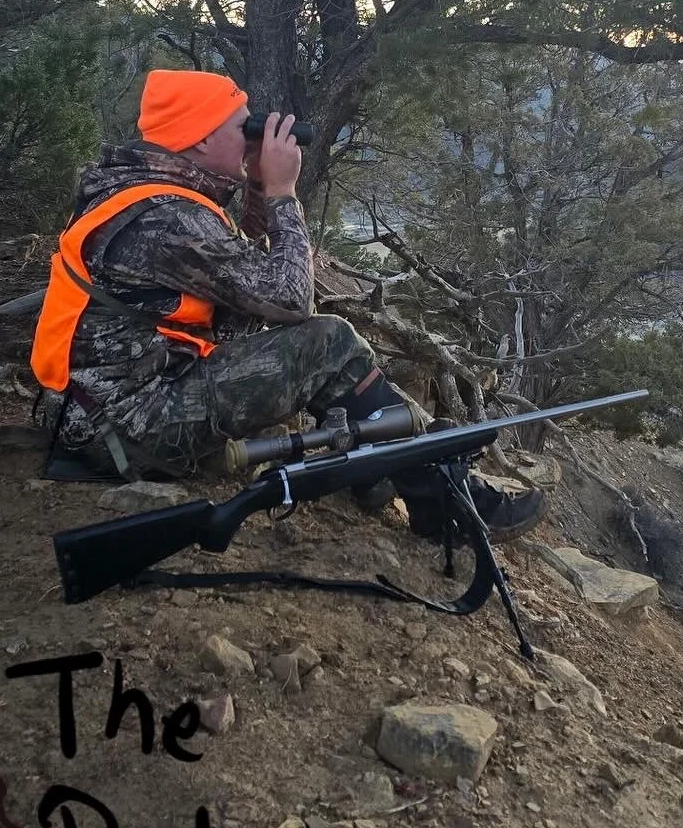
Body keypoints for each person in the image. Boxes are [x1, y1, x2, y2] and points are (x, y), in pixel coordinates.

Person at [28, 68, 543, 540]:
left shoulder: (141, 188)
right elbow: (292, 299)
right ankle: (443, 502)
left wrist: (254, 181)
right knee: (329, 343)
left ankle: (388, 471)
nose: (251, 137)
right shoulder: (165, 218)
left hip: (104, 402)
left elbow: (236, 268)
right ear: (202, 139)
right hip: (125, 426)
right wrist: (282, 192)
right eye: (240, 128)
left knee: (286, 339)